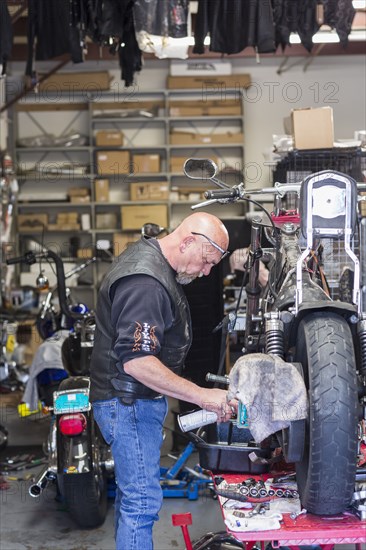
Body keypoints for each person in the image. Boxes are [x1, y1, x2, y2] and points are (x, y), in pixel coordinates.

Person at [90, 212, 238, 550]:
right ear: (187, 240)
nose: (206, 271)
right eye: (206, 261)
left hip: (133, 401)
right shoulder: (146, 282)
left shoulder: (151, 258)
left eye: (213, 265)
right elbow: (138, 363)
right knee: (141, 503)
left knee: (136, 499)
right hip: (127, 403)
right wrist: (203, 395)